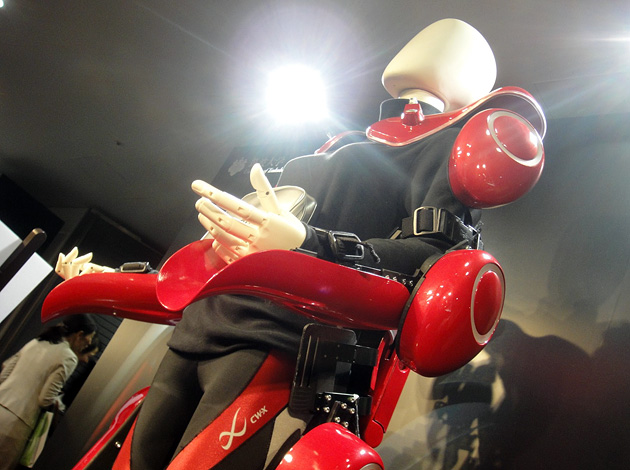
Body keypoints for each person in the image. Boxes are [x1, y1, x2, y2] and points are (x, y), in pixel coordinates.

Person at [55, 18, 541, 470]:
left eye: (454, 41)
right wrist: (115, 280)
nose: (428, 40)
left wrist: (309, 242)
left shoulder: (446, 148)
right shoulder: (339, 144)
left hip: (277, 343)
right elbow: (227, 247)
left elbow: (428, 259)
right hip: (200, 329)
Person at [0, 314, 97, 470]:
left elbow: (4, 375)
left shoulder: (36, 342)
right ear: (79, 335)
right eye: (89, 338)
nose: (89, 343)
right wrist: (56, 404)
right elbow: (45, 399)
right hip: (16, 423)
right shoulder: (69, 357)